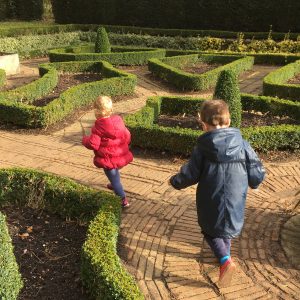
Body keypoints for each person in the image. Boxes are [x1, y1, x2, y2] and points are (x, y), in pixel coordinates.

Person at [169, 99, 265, 287]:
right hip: (236, 196)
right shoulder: (243, 144)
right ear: (228, 122)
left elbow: (191, 173)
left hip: (210, 197)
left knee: (210, 230)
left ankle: (225, 260)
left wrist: (175, 181)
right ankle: (224, 256)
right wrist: (256, 181)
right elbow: (255, 168)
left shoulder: (202, 148)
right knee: (226, 227)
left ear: (203, 124)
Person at [82, 95, 133, 207]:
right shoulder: (118, 121)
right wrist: (124, 145)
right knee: (115, 173)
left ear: (97, 111)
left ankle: (123, 200)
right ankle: (114, 183)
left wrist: (84, 140)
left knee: (114, 178)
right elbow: (127, 135)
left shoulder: (99, 127)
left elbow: (93, 144)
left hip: (108, 159)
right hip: (120, 157)